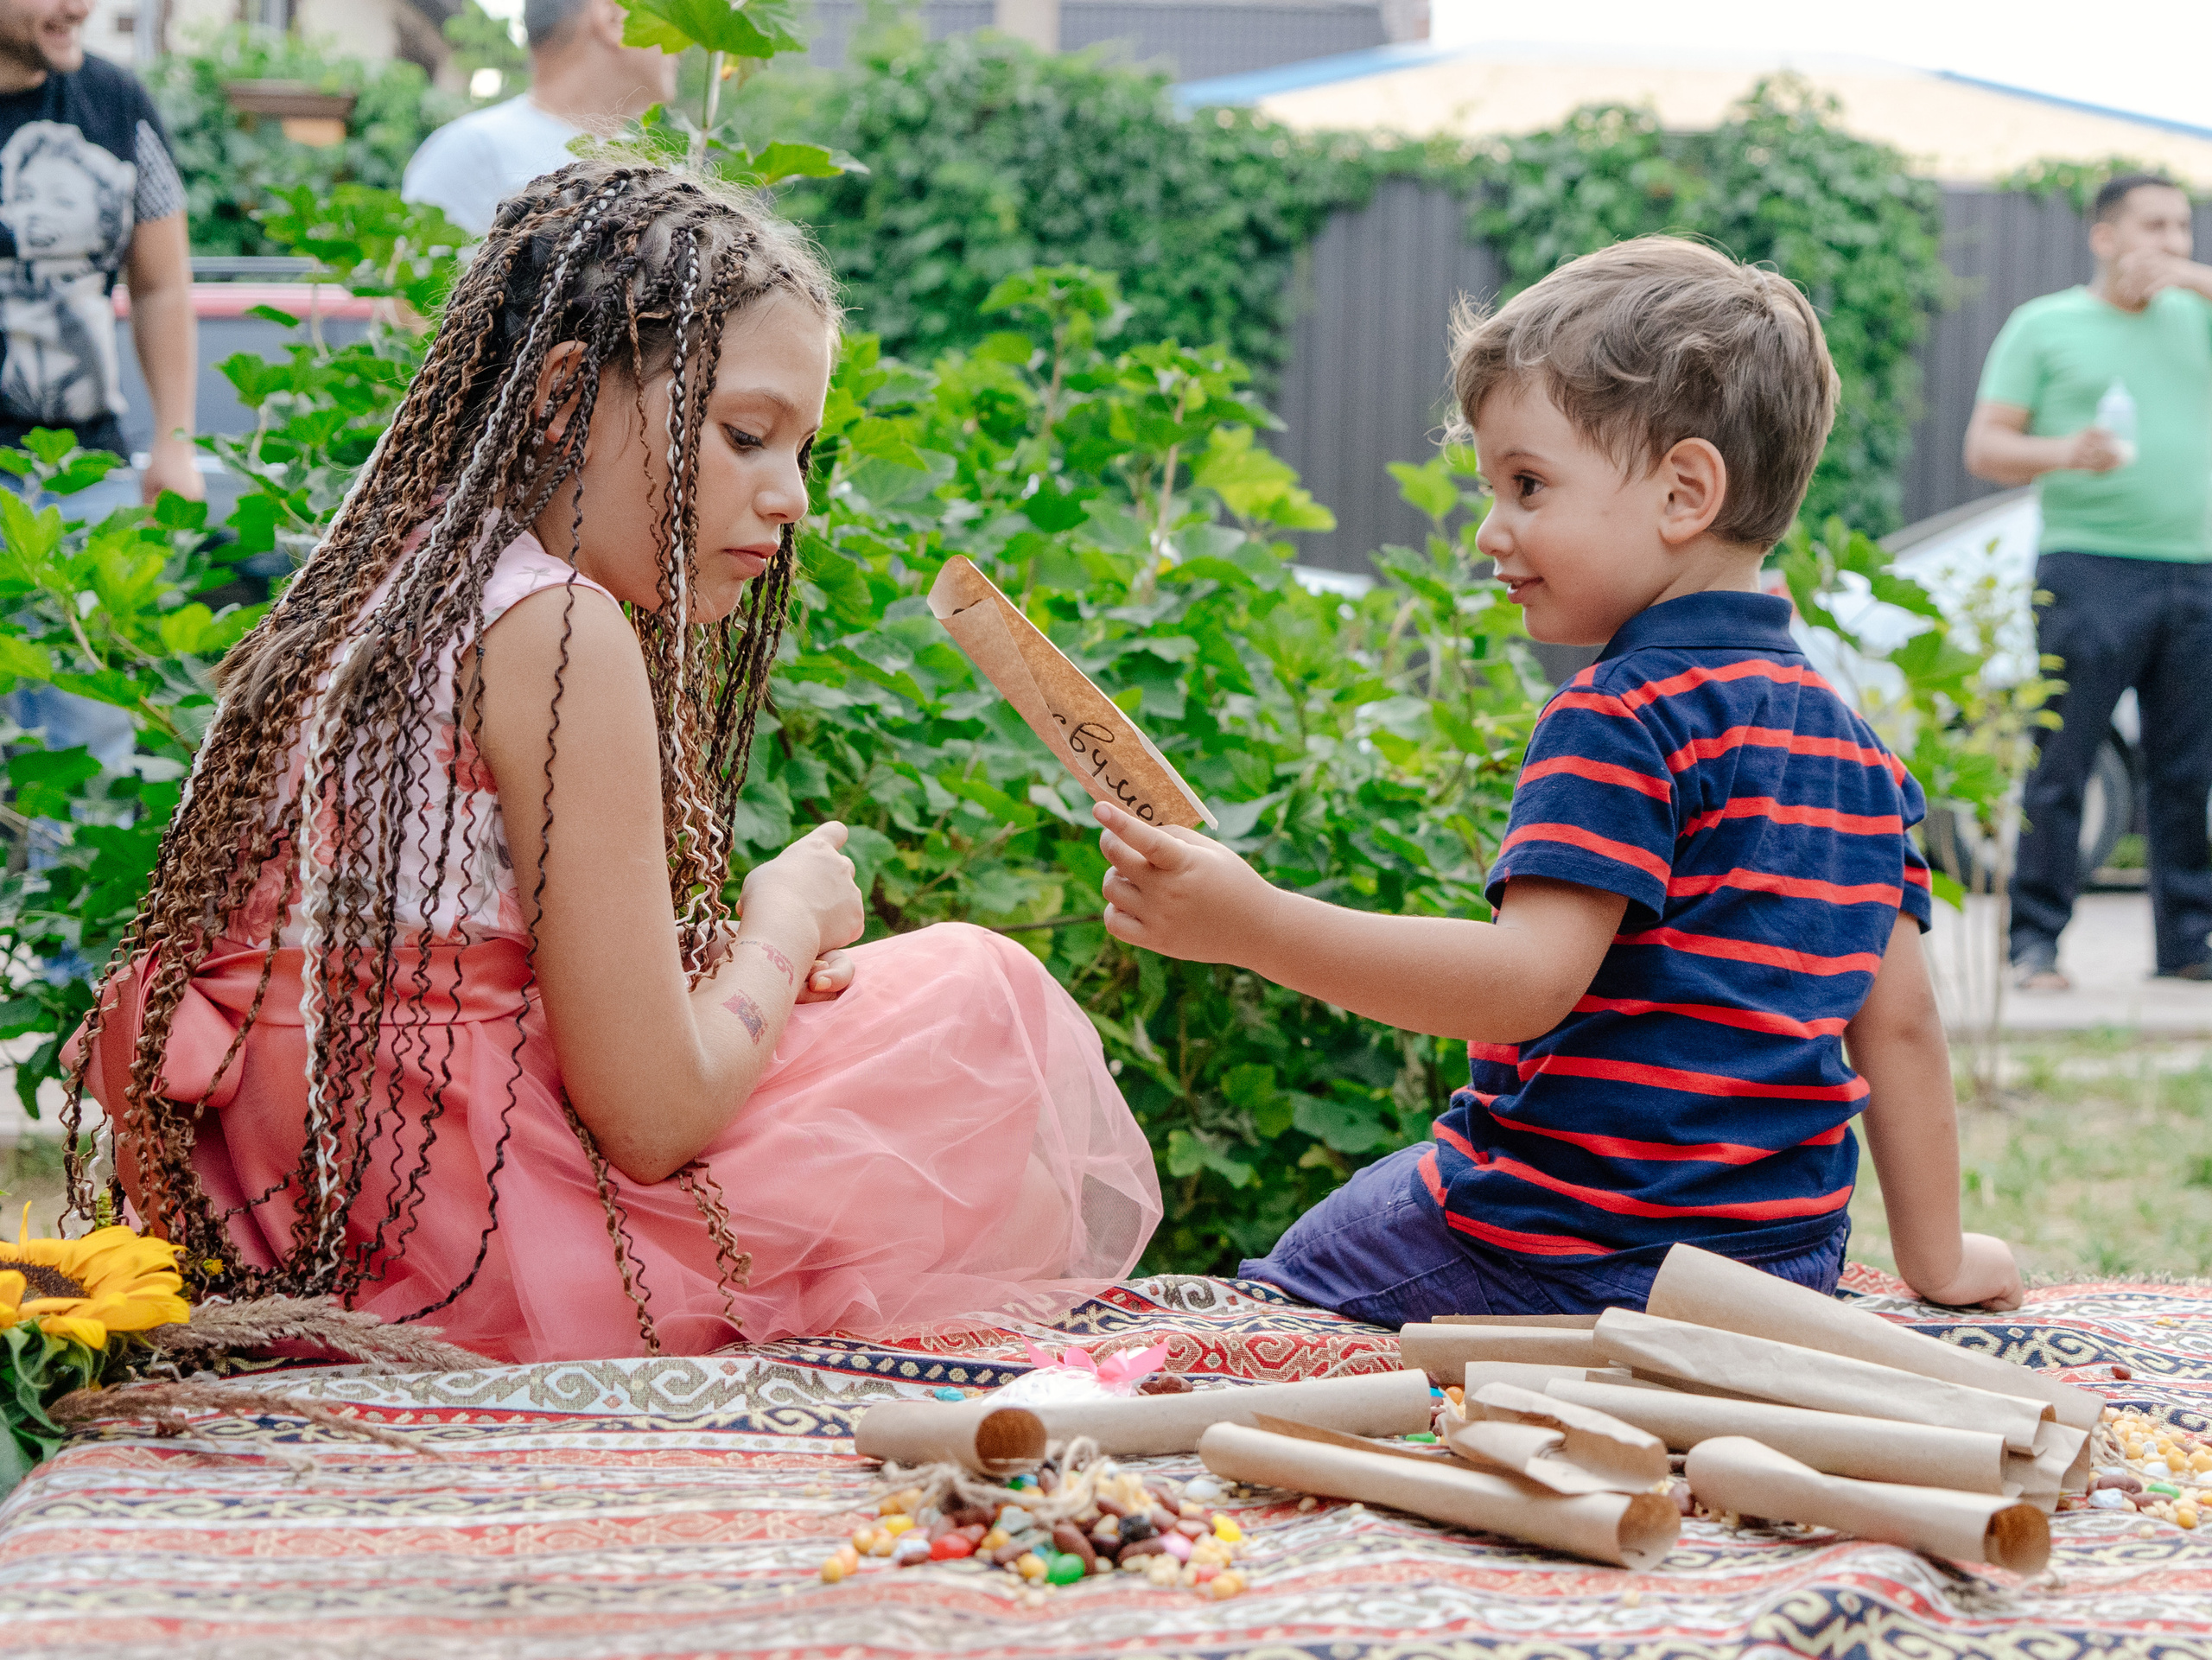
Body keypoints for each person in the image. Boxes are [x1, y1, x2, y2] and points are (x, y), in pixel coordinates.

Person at [67, 162, 1161, 1363]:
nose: (790, 496)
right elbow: (651, 1116)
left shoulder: (380, 589)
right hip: (479, 1243)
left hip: (314, 1207)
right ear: (565, 395)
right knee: (975, 999)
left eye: (803, 452)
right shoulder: (554, 629)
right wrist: (781, 923)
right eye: (747, 435)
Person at [1091, 238, 2022, 1324]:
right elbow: (1899, 1025)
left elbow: (1524, 982)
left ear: (1685, 490)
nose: (1492, 531)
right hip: (1775, 1269)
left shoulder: (1618, 716)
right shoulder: (1862, 755)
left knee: (1294, 1283)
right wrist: (1940, 1260)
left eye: (1527, 484)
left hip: (1562, 1246)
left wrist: (1255, 923)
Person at [1964, 173, 2212, 991]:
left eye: (2183, 227)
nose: (2173, 242)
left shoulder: (2199, 313)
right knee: (2063, 758)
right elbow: (1987, 447)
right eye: (2154, 227)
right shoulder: (2046, 325)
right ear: (2105, 236)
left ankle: (2187, 945)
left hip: (2199, 570)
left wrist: (2191, 281)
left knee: (2188, 767)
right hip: (2089, 566)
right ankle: (2035, 943)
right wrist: (2065, 451)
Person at [0, 0, 199, 502]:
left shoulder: (118, 100)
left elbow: (161, 290)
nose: (80, 8)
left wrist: (175, 446)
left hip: (89, 473)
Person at [402, 0, 677, 237]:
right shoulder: (473, 151)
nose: (683, 44)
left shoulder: (663, 168)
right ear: (612, 16)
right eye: (666, 12)